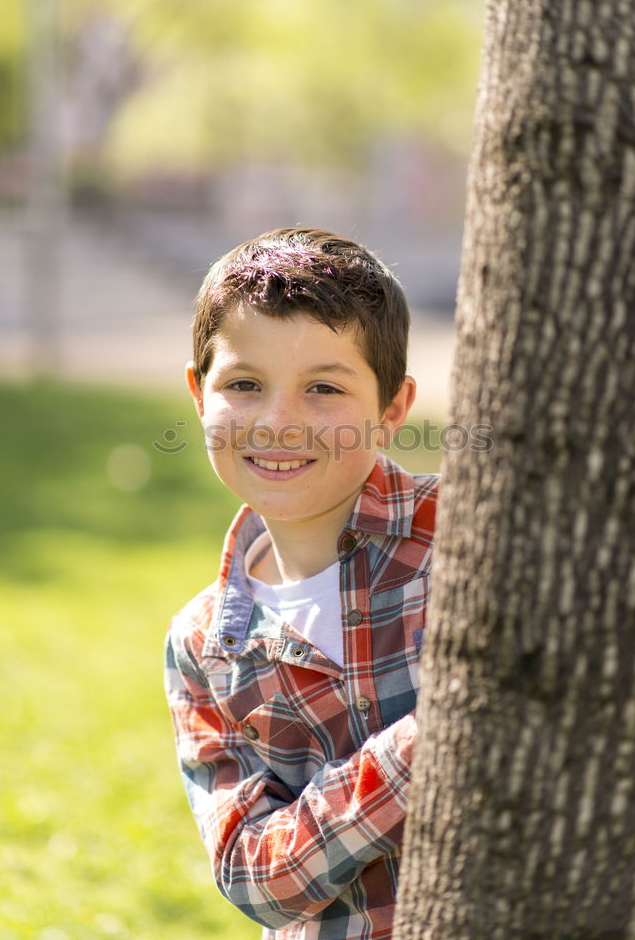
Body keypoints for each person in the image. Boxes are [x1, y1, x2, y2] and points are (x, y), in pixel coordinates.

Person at [164, 227, 440, 940]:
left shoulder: (464, 535)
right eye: (245, 384)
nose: (279, 422)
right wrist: (430, 740)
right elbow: (254, 877)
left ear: (392, 408)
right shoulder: (203, 646)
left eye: (323, 388)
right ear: (199, 395)